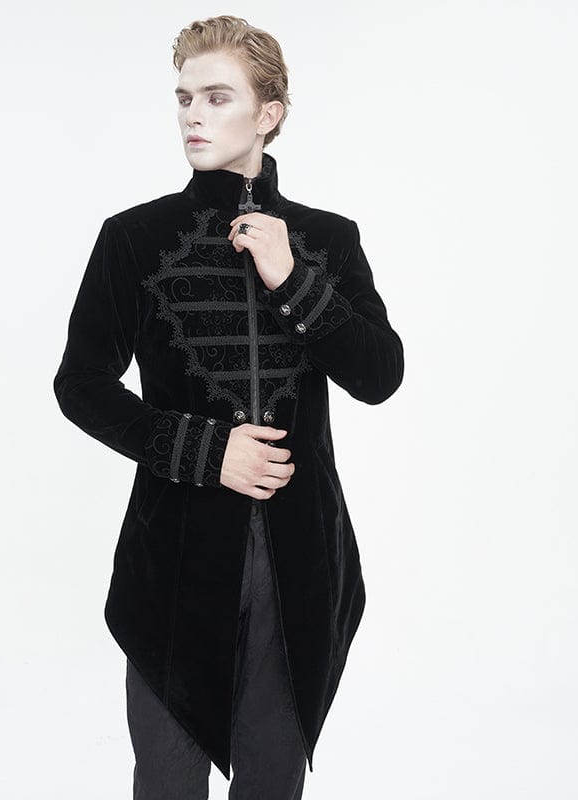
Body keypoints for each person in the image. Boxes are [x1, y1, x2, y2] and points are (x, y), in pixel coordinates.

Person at [53, 14, 404, 799]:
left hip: (300, 564)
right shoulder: (134, 238)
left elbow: (380, 375)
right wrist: (208, 453)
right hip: (173, 562)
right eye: (184, 99)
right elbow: (81, 383)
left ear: (268, 113)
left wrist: (293, 279)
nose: (193, 116)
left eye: (217, 97)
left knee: (272, 783)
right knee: (168, 782)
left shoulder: (327, 240)